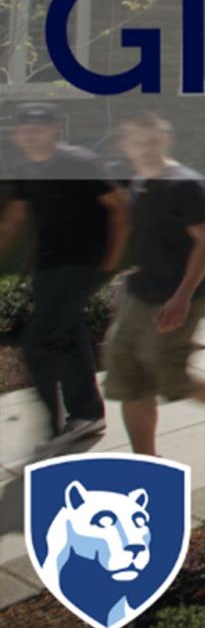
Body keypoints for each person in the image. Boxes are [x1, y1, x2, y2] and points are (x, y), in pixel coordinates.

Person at [104, 112, 205, 457]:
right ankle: (146, 461)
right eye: (137, 142)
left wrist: (182, 296)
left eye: (153, 141)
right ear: (124, 144)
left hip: (175, 298)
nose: (146, 149)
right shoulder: (140, 181)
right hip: (140, 293)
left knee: (172, 379)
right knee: (129, 378)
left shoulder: (185, 184)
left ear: (166, 140)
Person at [0, 103, 129, 460]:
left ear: (55, 130)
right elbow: (14, 220)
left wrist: (110, 260)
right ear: (17, 135)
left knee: (36, 346)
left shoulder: (80, 163)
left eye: (38, 128)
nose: (30, 134)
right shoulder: (27, 169)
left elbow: (119, 206)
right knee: (69, 339)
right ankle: (87, 415)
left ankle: (54, 431)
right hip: (50, 267)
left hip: (84, 265)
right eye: (24, 129)